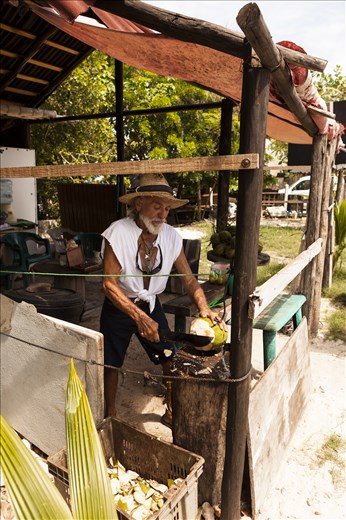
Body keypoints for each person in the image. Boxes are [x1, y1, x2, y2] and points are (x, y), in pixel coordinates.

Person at [100, 173, 226, 426]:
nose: (163, 214)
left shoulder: (170, 236)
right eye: (157, 206)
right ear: (139, 204)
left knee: (169, 355)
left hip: (151, 303)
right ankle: (110, 415)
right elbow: (109, 285)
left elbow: (189, 279)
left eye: (167, 208)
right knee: (111, 363)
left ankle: (171, 409)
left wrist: (204, 308)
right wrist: (138, 317)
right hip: (120, 305)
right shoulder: (117, 233)